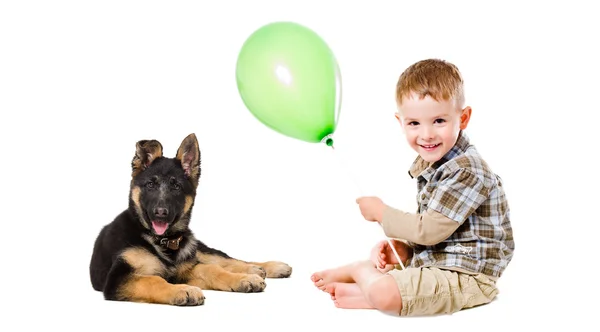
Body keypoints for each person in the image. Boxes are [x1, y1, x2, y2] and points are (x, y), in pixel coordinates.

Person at [310, 58, 515, 317]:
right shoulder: (436, 165)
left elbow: (429, 230)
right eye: (414, 123)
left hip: (469, 276)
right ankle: (369, 290)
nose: (427, 134)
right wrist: (407, 250)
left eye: (439, 121)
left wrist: (382, 213)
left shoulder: (466, 170)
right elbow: (437, 228)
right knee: (389, 287)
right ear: (401, 122)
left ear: (463, 118)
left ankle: (361, 273)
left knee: (385, 294)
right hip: (441, 264)